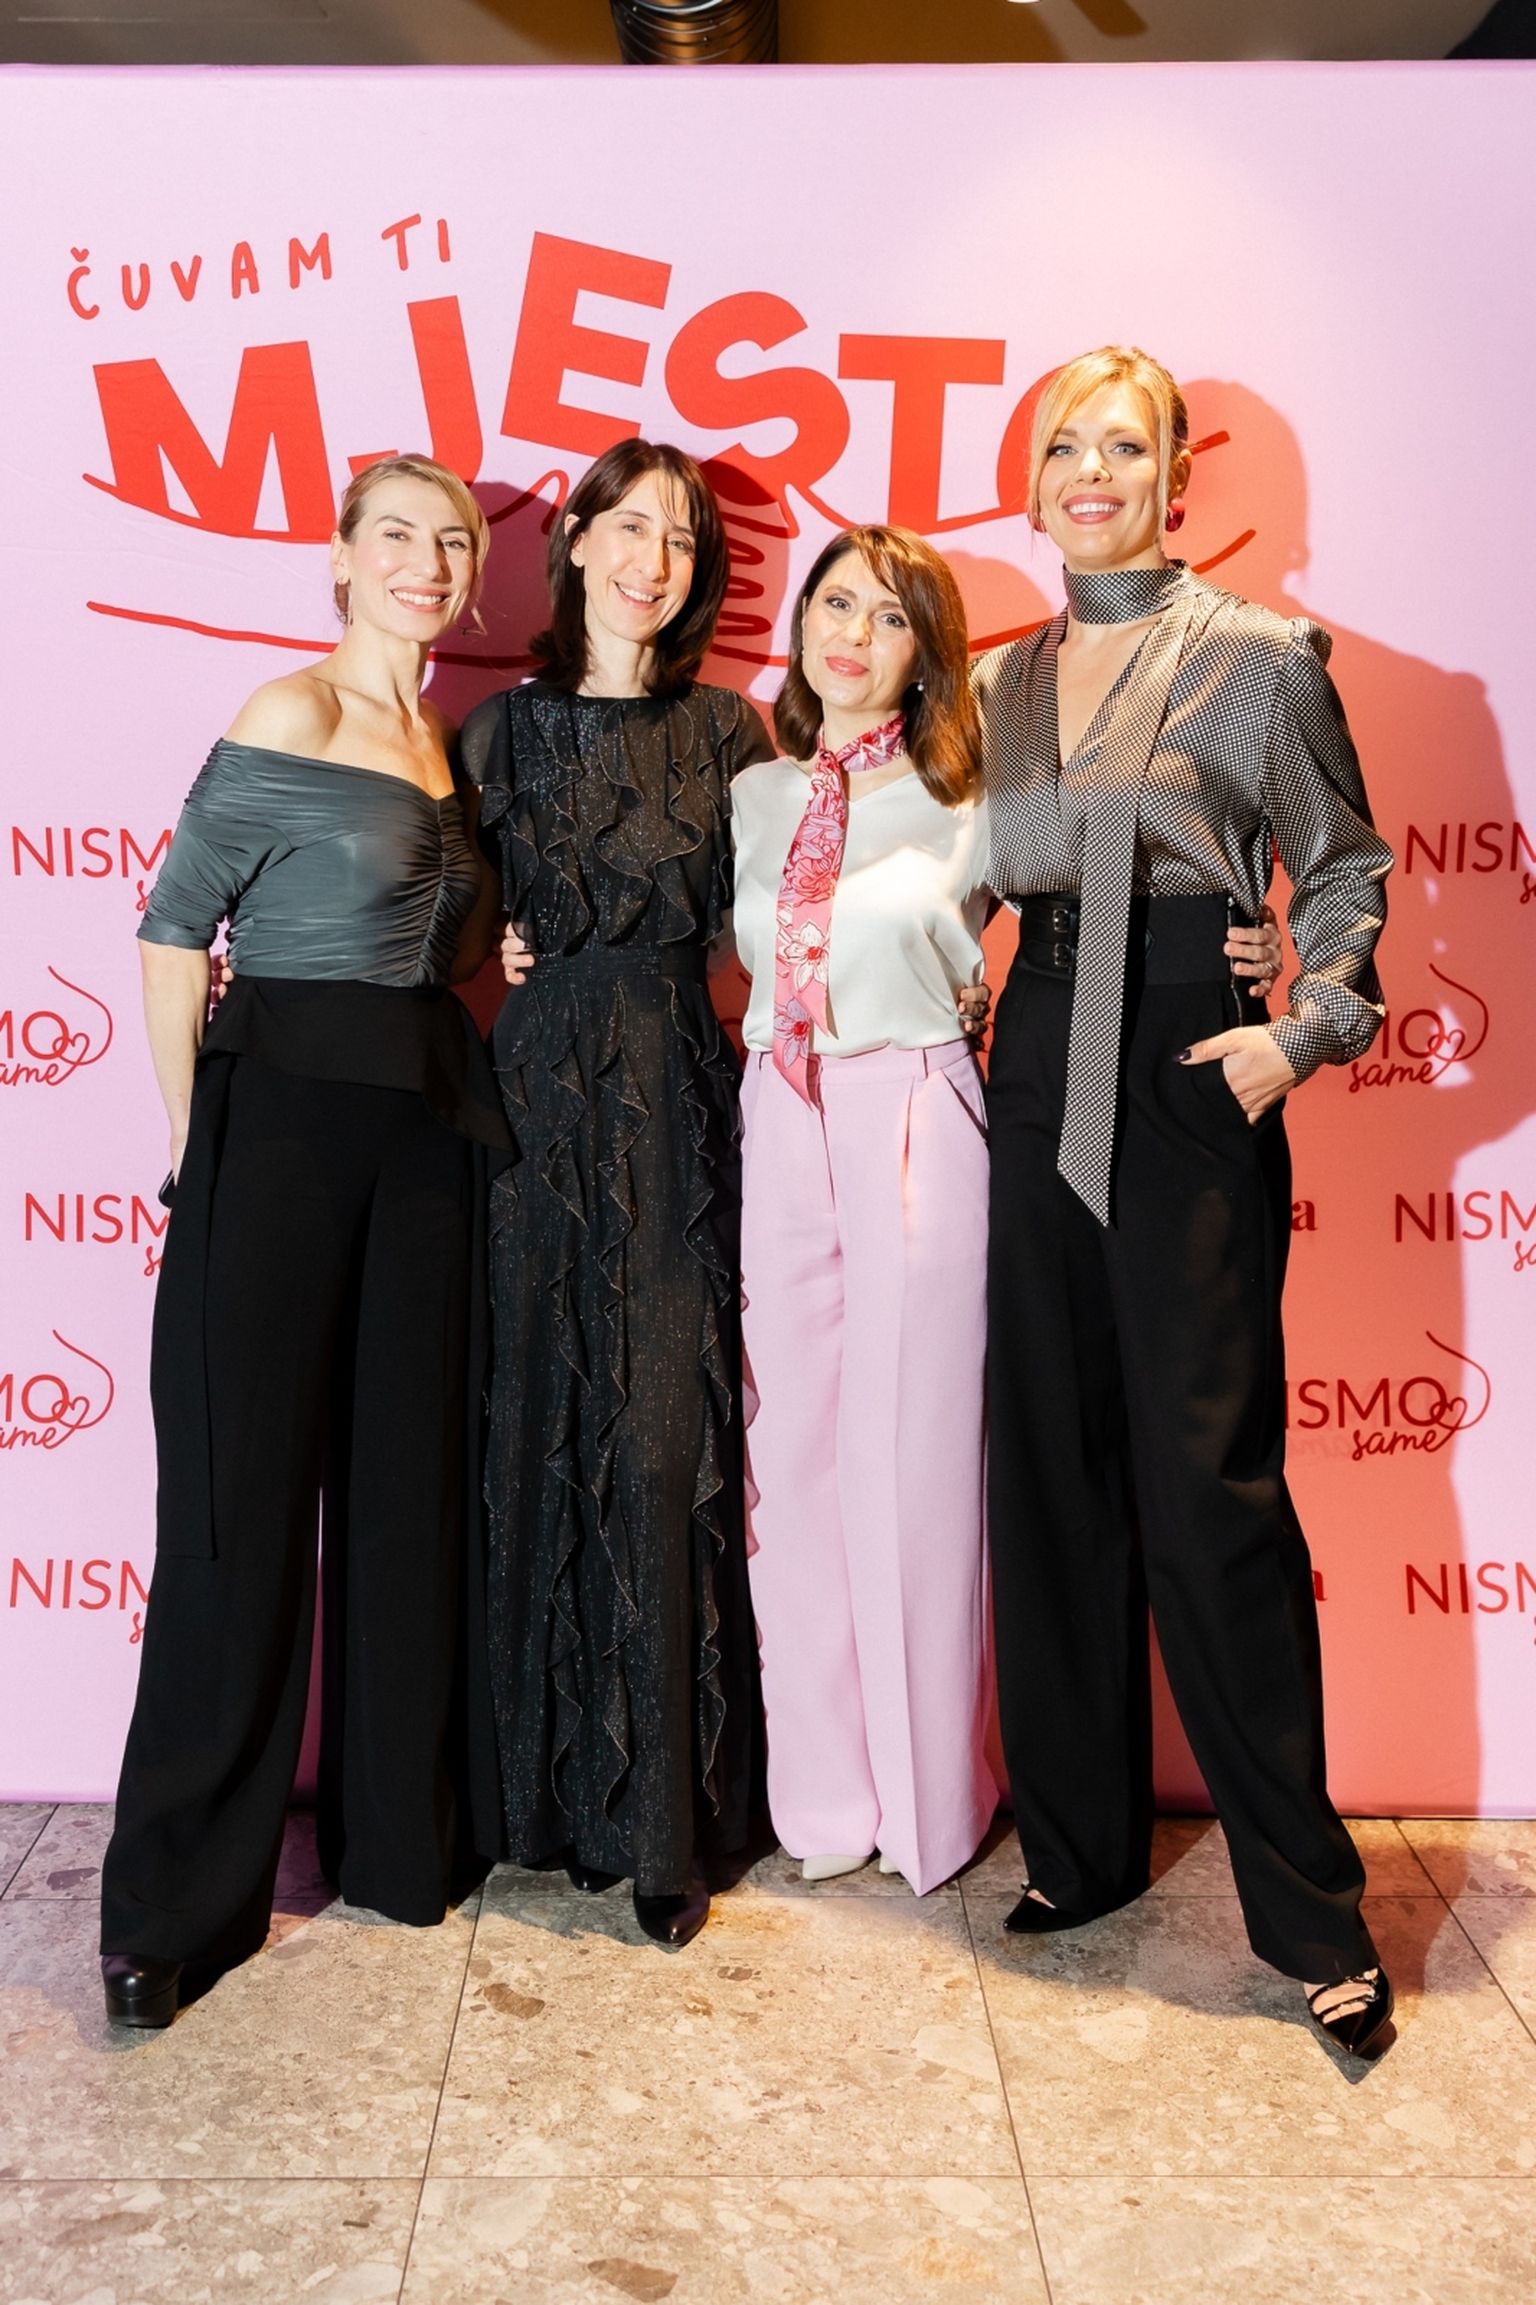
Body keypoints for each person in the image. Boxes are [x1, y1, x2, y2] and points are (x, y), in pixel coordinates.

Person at [975, 346, 1396, 2057]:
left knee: (1210, 1484)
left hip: (1181, 1056)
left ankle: (1311, 1912)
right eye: (1063, 446)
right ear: (1032, 483)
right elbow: (956, 870)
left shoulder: (1258, 657)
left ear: (1173, 479)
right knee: (1051, 1464)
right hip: (1037, 1046)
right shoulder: (999, 680)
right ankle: (1080, 1849)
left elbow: (1346, 867)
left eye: (1124, 446)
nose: (1092, 472)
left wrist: (1302, 1029)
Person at [99, 456, 508, 2028]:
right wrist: (192, 1145)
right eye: (395, 534)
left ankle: (398, 1848)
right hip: (273, 1129)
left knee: (405, 1501)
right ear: (340, 558)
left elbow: (443, 938)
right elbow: (169, 928)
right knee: (238, 1515)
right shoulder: (291, 712)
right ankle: (170, 1909)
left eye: (450, 540)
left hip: (422, 1139)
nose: (426, 561)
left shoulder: (447, 745)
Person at [461, 440, 775, 1950]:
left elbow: (791, 912)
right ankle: (528, 1806)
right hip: (531, 1107)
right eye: (631, 526)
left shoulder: (727, 730)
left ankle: (665, 1824)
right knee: (536, 1414)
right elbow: (434, 903)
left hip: (675, 1094)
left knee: (660, 1435)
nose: (655, 559)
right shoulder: (496, 732)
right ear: (576, 541)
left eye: (684, 538)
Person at [730, 527, 999, 1893]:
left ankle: (931, 1803)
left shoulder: (973, 795)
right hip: (781, 1106)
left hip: (912, 1101)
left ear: (925, 655)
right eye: (836, 603)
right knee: (790, 1456)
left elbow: (1092, 914)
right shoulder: (755, 793)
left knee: (915, 1456)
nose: (853, 634)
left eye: (890, 619)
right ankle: (825, 1800)